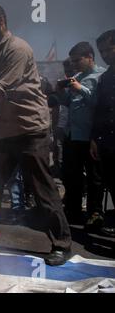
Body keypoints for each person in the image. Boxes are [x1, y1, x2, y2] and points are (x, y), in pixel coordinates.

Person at [0, 4, 72, 265]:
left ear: (0, 20)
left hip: (30, 130)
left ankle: (62, 244)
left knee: (42, 189)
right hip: (5, 131)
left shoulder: (17, 49)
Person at [56, 42, 105, 229]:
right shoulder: (76, 76)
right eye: (73, 61)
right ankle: (73, 211)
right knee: (71, 177)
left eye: (78, 60)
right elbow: (67, 103)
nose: (74, 64)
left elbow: (100, 104)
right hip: (73, 136)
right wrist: (62, 92)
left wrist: (81, 89)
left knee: (94, 179)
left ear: (90, 57)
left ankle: (94, 213)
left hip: (91, 137)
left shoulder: (101, 76)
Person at [91, 29, 115, 237]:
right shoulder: (106, 78)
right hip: (108, 142)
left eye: (108, 49)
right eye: (102, 52)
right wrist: (94, 140)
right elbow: (100, 109)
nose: (105, 55)